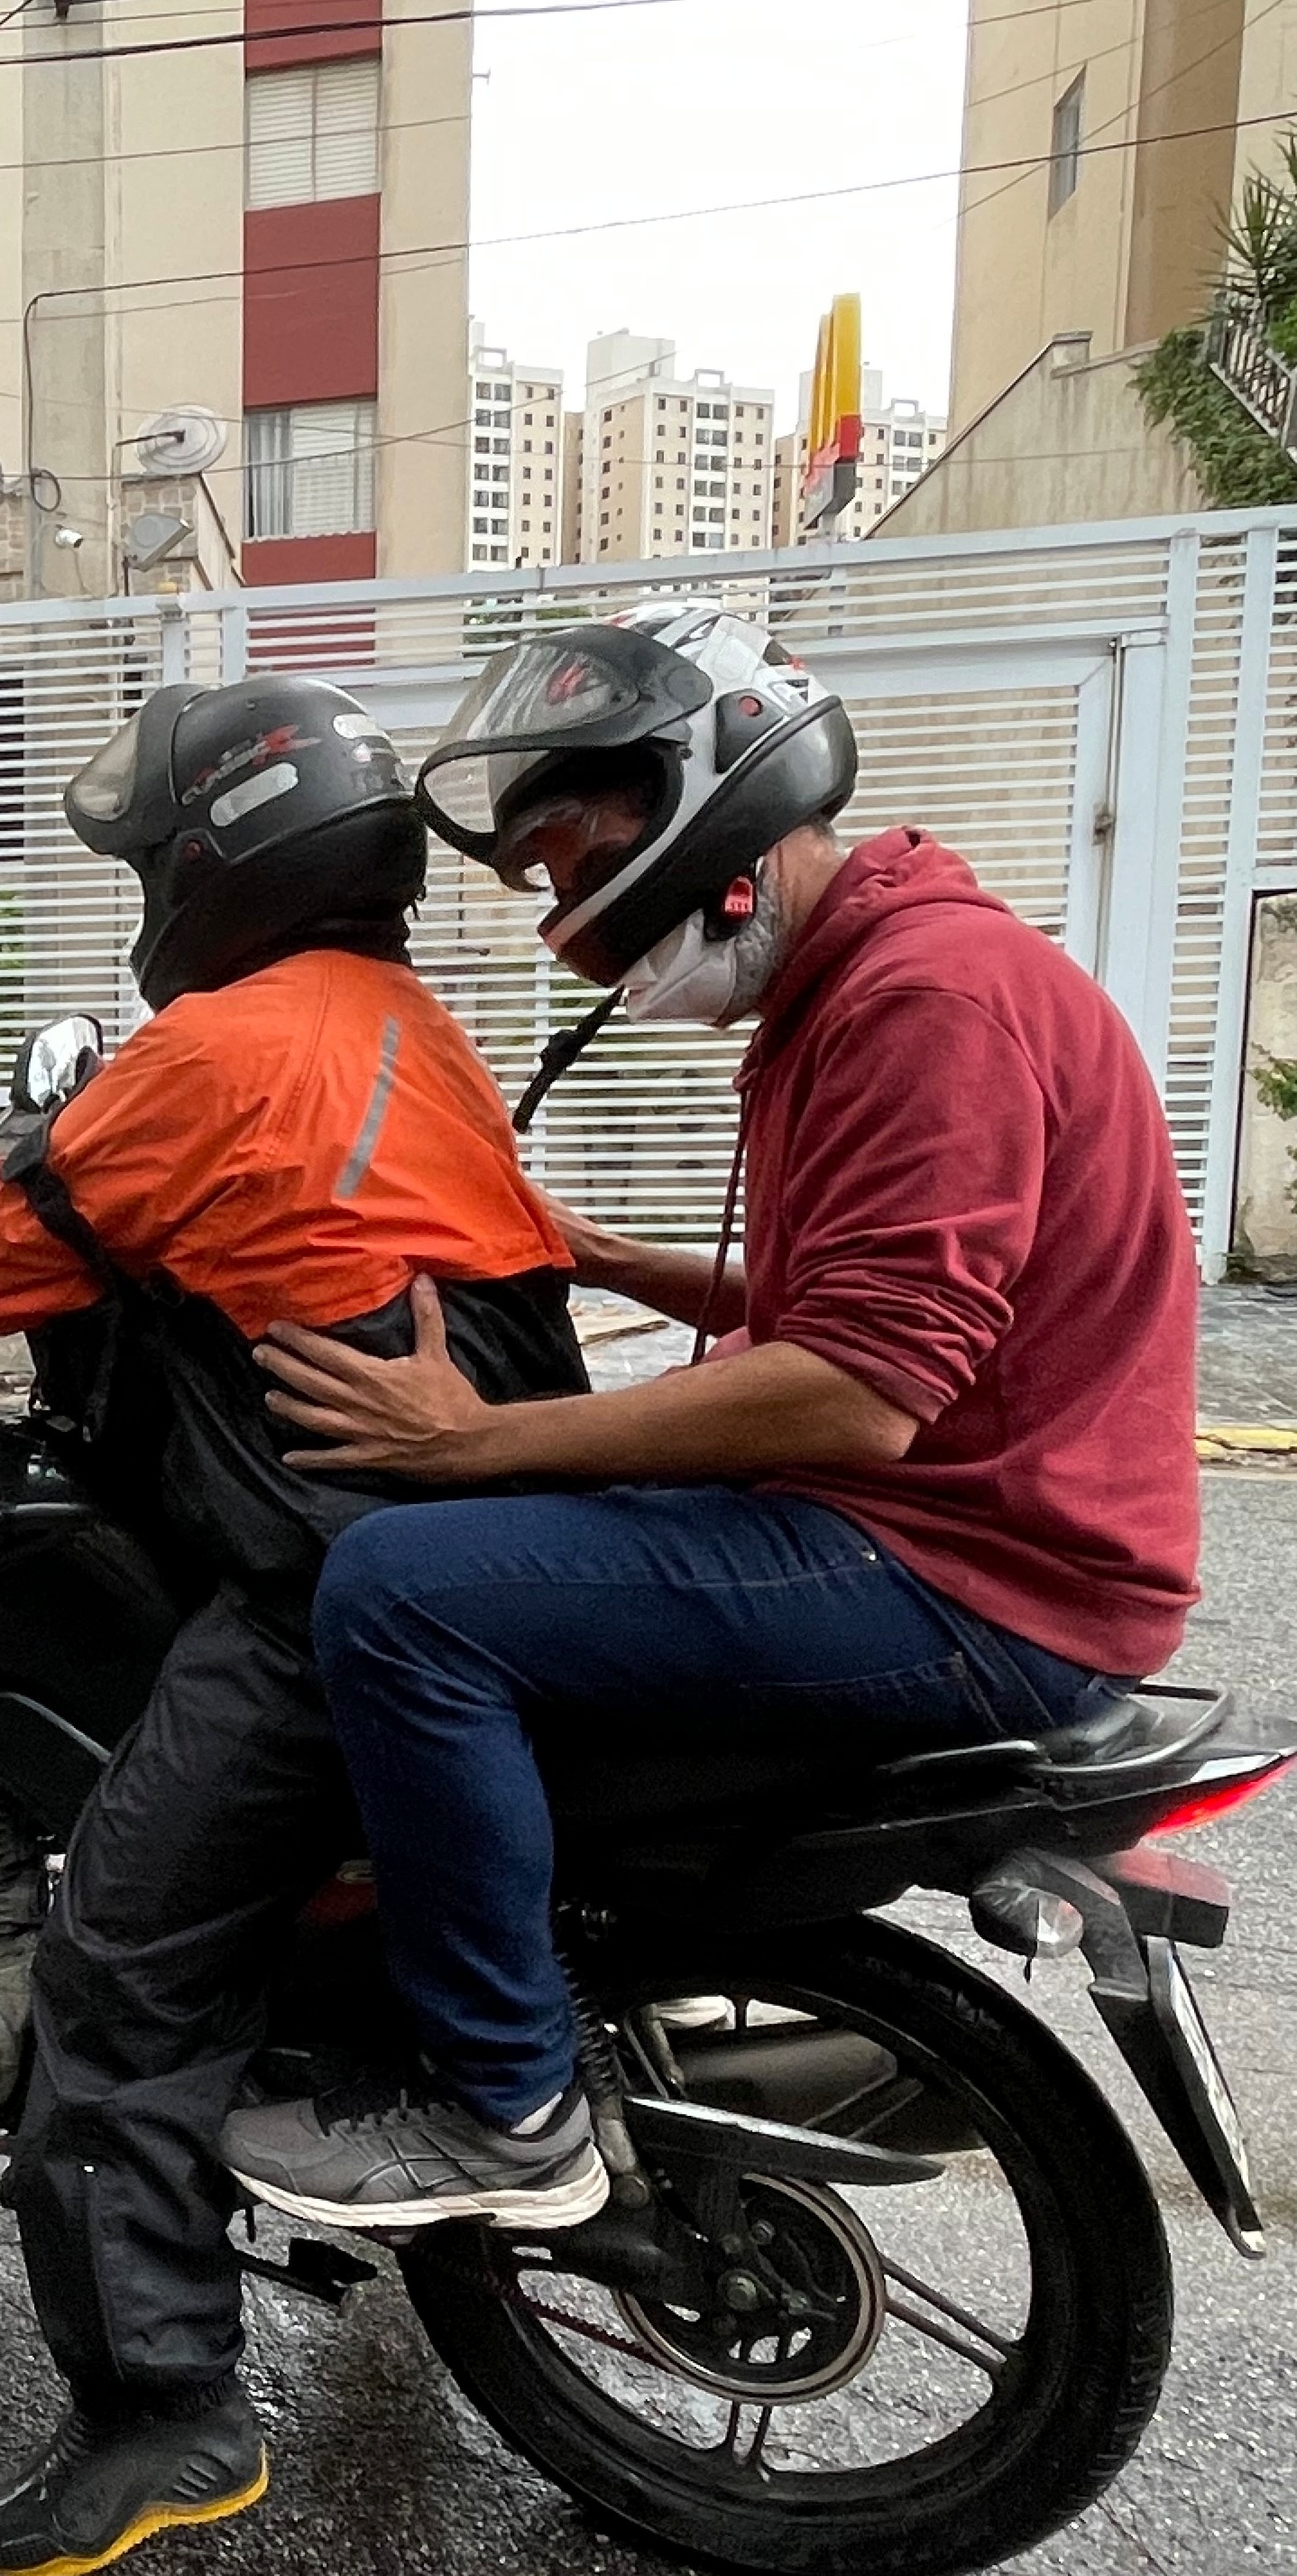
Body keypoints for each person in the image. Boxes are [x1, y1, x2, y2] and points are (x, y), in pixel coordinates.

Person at [221, 603, 1200, 2232]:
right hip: (977, 1535)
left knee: (400, 1593)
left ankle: (505, 2108)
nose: (561, 923)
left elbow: (867, 1389)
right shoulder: (869, 979)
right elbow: (866, 1309)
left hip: (976, 1576)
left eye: (556, 867)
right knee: (499, 1552)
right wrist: (613, 1258)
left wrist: (465, 1444)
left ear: (687, 808)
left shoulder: (924, 1002)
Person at [0, 671, 590, 2576]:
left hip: (338, 1568)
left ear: (214, 859)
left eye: (152, 852)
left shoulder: (213, 1051)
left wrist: (13, 1151)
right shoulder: (402, 1018)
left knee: (114, 1965)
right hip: (507, 1519)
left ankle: (165, 2416)